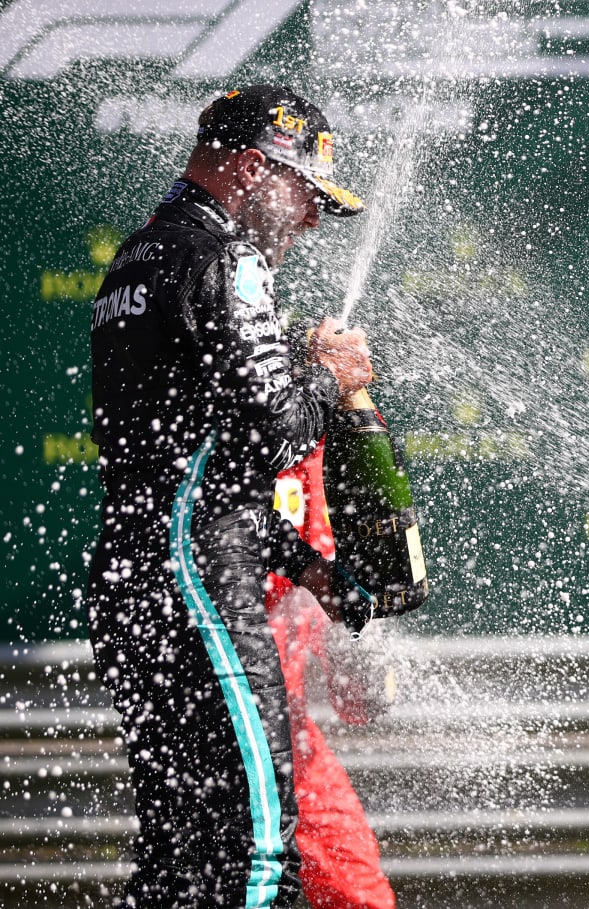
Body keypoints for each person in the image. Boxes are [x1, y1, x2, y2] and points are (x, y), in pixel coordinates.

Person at [87, 84, 374, 908]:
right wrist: (330, 374)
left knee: (180, 858)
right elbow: (272, 432)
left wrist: (299, 561)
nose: (313, 221)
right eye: (306, 195)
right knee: (255, 856)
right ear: (252, 170)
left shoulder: (136, 257)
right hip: (198, 587)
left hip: (137, 582)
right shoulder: (227, 255)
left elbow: (187, 464)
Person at [268, 441, 398, 909]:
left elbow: (357, 701)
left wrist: (365, 656)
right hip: (229, 723)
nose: (366, 366)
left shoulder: (327, 452)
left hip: (289, 733)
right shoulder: (257, 427)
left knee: (357, 889)